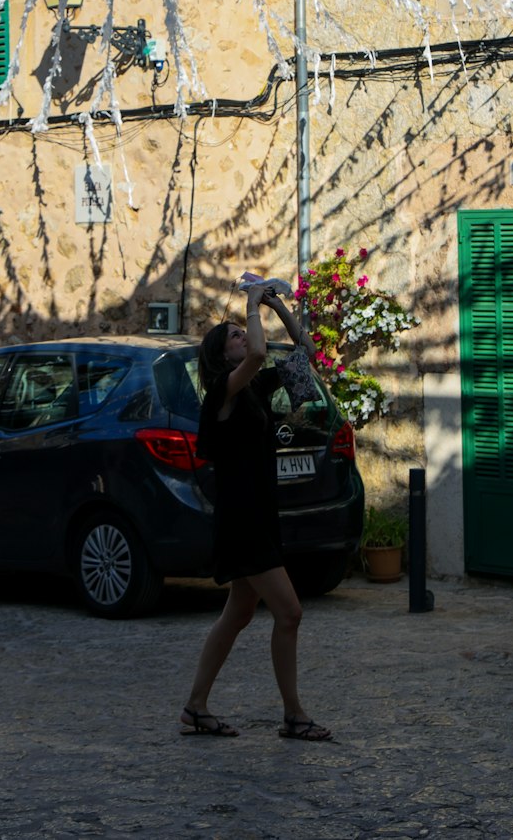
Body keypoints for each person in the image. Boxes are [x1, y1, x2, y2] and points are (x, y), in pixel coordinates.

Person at [180, 281, 333, 742]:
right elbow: (261, 353)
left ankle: (194, 707)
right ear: (222, 355)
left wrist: (276, 305)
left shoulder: (255, 390)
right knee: (289, 612)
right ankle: (294, 715)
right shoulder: (223, 394)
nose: (244, 338)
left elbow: (304, 350)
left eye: (241, 332)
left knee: (238, 614)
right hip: (243, 521)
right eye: (234, 337)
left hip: (257, 514)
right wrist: (250, 303)